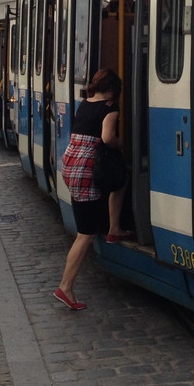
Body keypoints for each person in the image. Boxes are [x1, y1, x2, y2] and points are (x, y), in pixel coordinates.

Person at [54, 68, 129, 311]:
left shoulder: (85, 103)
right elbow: (107, 139)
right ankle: (65, 287)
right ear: (113, 90)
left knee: (118, 182)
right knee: (85, 234)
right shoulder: (109, 108)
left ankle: (113, 228)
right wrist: (123, 144)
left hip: (71, 164)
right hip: (87, 170)